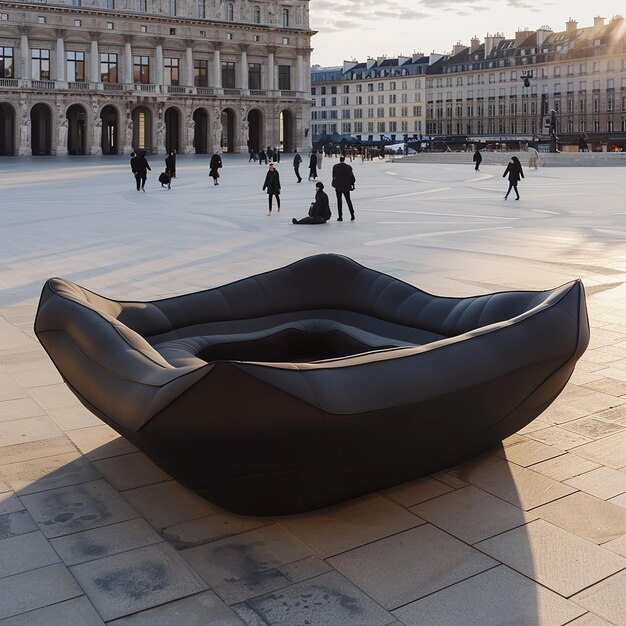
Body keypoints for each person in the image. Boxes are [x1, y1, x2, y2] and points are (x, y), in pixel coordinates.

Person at [331, 155, 356, 221]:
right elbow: (352, 177)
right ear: (344, 159)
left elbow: (333, 176)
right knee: (348, 200)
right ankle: (352, 214)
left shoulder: (335, 167)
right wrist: (352, 184)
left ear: (340, 159)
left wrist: (334, 183)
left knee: (339, 201)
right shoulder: (348, 167)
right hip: (346, 186)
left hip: (338, 186)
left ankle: (340, 216)